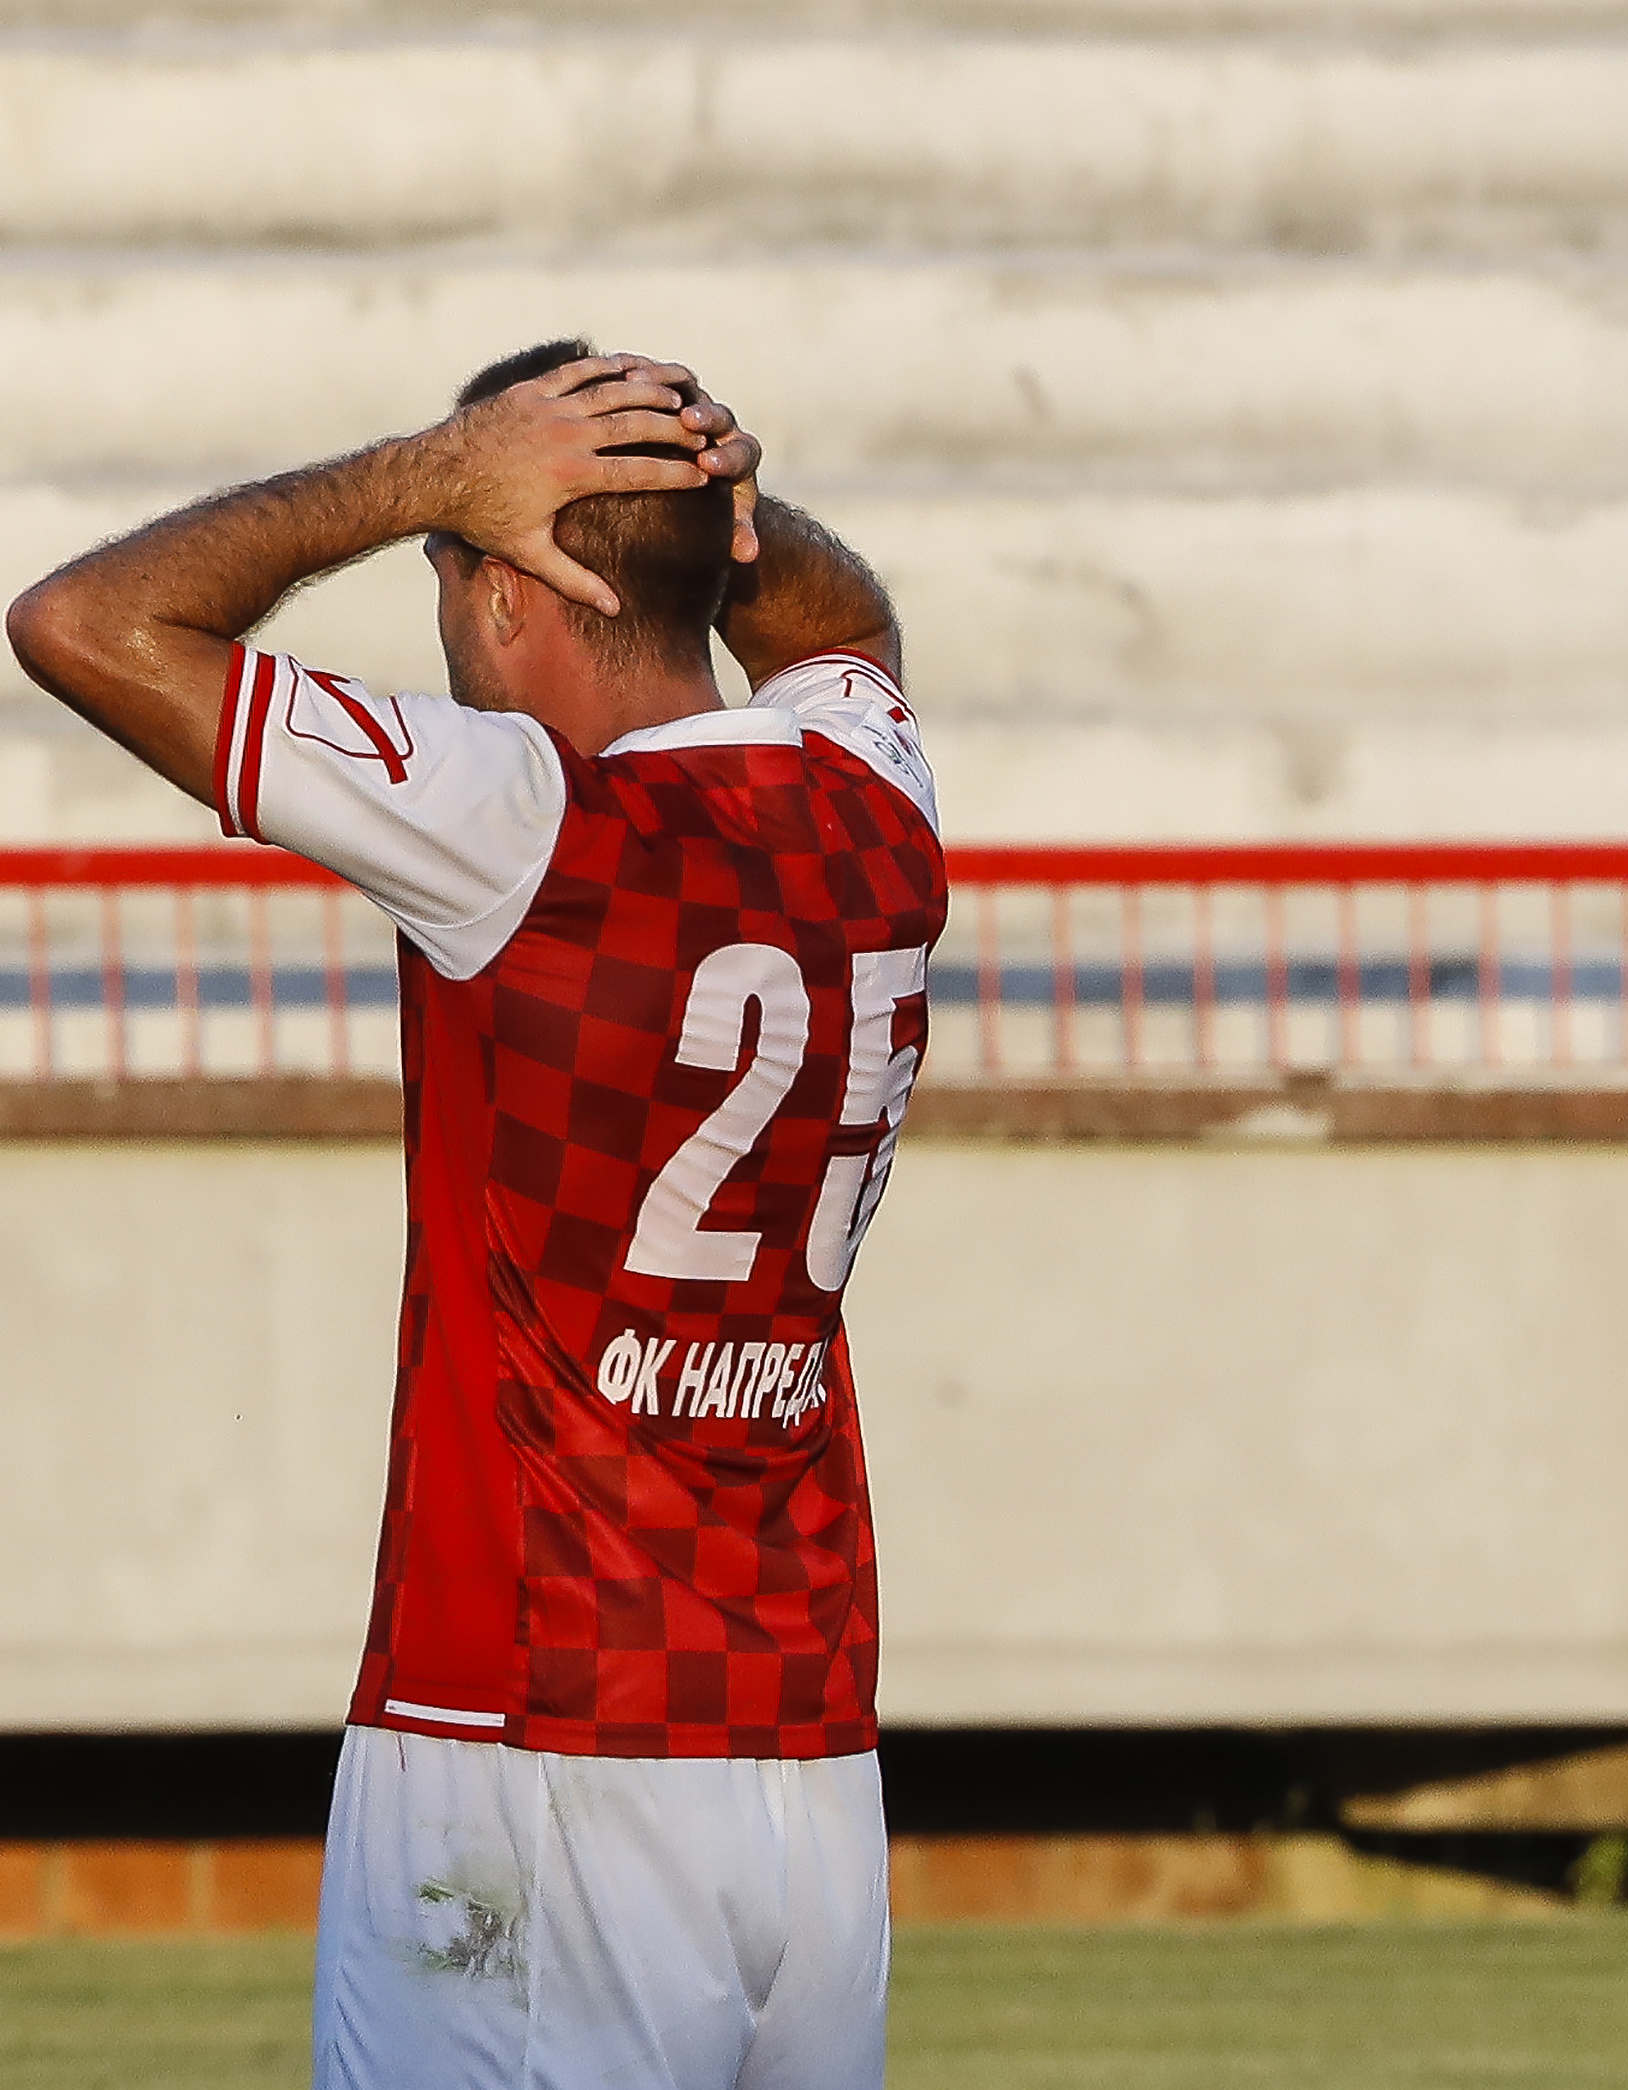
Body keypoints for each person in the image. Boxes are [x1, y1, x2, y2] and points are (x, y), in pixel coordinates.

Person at [9, 342, 942, 2090]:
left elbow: (82, 622)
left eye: (455, 567)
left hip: (528, 1729)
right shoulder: (871, 797)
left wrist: (424, 472)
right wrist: (729, 503)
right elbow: (847, 632)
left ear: (514, 584)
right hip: (806, 1760)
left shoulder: (519, 817)